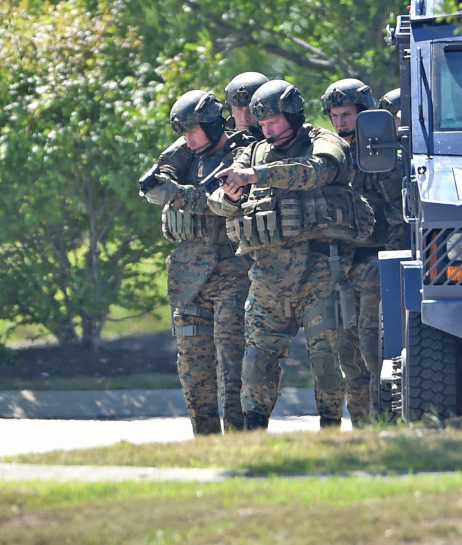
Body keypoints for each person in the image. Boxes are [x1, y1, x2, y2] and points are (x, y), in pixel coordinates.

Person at [208, 79, 374, 430]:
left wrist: (257, 175)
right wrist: (232, 195)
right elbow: (219, 202)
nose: (267, 131)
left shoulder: (321, 142)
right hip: (268, 276)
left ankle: (330, 429)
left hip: (321, 271)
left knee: (326, 361)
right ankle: (255, 432)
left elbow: (320, 170)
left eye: (273, 123)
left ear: (294, 116)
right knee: (256, 362)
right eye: (262, 125)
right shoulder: (252, 152)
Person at [140, 89, 252, 434]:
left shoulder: (240, 155)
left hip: (231, 270)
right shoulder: (187, 155)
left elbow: (223, 202)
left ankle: (239, 441)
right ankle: (205, 441)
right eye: (183, 134)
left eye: (192, 132)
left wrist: (175, 195)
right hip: (189, 277)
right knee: (193, 367)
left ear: (211, 125)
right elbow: (161, 175)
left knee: (233, 362)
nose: (187, 140)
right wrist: (162, 184)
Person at [322, 78, 405, 424]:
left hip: (377, 267)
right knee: (348, 356)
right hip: (341, 270)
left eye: (348, 114)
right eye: (335, 115)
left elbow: (401, 217)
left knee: (375, 353)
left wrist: (390, 263)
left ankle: (384, 425)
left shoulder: (386, 158)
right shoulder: (329, 157)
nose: (341, 122)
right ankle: (362, 429)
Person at [224, 72, 269, 141]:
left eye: (251, 110)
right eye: (238, 109)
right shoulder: (220, 141)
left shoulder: (280, 139)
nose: (244, 118)